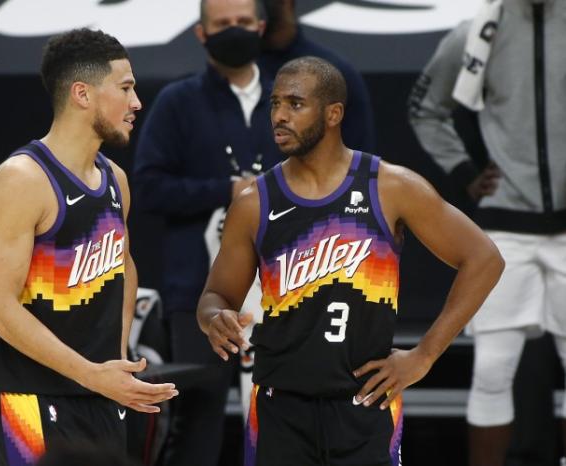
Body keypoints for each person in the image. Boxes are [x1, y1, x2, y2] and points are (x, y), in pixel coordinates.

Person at [197, 56, 504, 466]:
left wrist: (424, 355)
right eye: (275, 104)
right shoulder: (255, 201)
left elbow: (484, 258)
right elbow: (216, 296)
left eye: (295, 103)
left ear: (333, 114)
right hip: (279, 407)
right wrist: (215, 318)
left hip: (366, 405)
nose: (280, 116)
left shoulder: (390, 186)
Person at [0, 28, 178, 465]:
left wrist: (117, 358)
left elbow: (124, 266)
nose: (136, 103)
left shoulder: (116, 179)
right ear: (82, 94)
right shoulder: (21, 179)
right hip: (34, 397)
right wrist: (91, 374)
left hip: (102, 393)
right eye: (125, 88)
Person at [408, 1, 566, 464]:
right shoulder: (479, 31)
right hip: (506, 228)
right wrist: (465, 172)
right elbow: (424, 108)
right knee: (493, 370)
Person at [132, 0, 284, 464]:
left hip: (285, 286)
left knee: (283, 412)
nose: (233, 31)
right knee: (198, 418)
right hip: (199, 289)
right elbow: (149, 186)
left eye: (242, 22)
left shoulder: (288, 98)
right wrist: (227, 189)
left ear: (261, 26)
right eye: (222, 24)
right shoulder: (178, 101)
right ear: (201, 32)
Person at [258, 0, 375, 153]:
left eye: (296, 104)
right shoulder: (231, 72)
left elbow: (358, 159)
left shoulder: (334, 73)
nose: (279, 116)